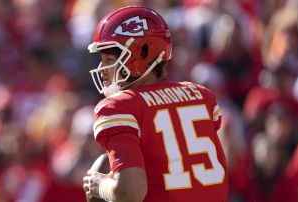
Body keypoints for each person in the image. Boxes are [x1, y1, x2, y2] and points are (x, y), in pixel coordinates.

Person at [82, 6, 228, 202]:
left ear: (141, 54)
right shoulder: (201, 95)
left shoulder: (118, 107)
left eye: (109, 59)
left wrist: (99, 186)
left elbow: (130, 192)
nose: (102, 69)